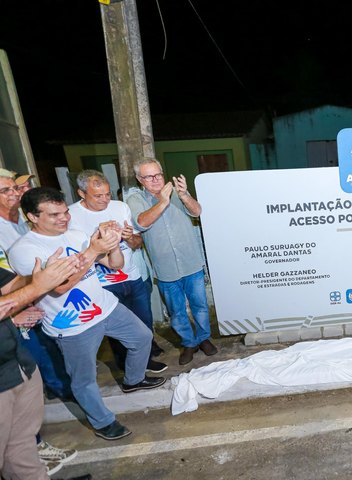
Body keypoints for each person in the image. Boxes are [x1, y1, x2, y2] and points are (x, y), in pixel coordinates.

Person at [8, 187, 166, 441]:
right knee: (84, 379)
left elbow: (115, 264)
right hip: (71, 325)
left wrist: (113, 243)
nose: (63, 218)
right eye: (54, 215)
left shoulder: (75, 234)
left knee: (142, 337)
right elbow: (59, 287)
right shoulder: (24, 250)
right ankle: (103, 422)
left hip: (106, 306)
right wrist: (92, 250)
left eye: (64, 212)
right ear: (32, 217)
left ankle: (133, 380)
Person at [68, 170, 167, 374]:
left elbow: (137, 243)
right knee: (117, 330)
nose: (105, 200)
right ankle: (125, 366)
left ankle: (145, 361)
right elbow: (75, 255)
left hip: (132, 276)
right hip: (103, 283)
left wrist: (130, 237)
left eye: (107, 194)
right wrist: (102, 242)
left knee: (143, 323)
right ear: (81, 193)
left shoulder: (120, 207)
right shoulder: (71, 217)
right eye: (98, 196)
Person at [0, 238, 81, 479]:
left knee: (22, 448)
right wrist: (36, 288)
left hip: (18, 364)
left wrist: (47, 275)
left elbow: (11, 285)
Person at [126, 158, 217, 365]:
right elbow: (141, 222)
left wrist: (184, 195)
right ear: (140, 179)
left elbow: (197, 211)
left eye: (158, 174)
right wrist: (163, 201)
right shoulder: (136, 199)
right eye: (149, 176)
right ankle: (188, 342)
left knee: (200, 306)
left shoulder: (176, 192)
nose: (156, 179)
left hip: (191, 262)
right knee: (176, 311)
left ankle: (204, 338)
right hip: (165, 268)